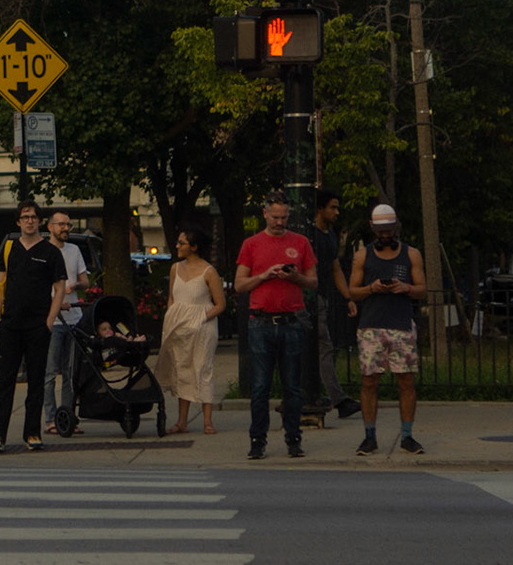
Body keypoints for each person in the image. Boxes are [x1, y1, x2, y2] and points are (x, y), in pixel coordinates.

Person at [234, 190, 317, 459]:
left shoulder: (301, 242)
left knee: (293, 385)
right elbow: (240, 284)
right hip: (261, 321)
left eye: (284, 217)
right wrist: (264, 276)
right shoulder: (251, 244)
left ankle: (293, 438)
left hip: (291, 320)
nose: (280, 222)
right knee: (260, 386)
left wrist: (295, 278)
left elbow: (313, 281)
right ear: (265, 214)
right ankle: (257, 440)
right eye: (275, 217)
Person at [0, 200, 68, 453]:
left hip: (38, 326)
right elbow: (0, 282)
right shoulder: (9, 248)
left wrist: (49, 320)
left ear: (40, 221)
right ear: (18, 222)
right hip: (10, 325)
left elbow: (59, 289)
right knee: (5, 381)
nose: (30, 221)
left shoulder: (51, 253)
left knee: (36, 381)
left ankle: (32, 433)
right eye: (25, 217)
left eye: (33, 217)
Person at [350, 203, 426, 455]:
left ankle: (407, 436)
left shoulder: (411, 254)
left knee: (406, 381)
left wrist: (406, 288)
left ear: (396, 227)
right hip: (371, 326)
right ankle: (369, 436)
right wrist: (372, 288)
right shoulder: (363, 256)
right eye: (381, 231)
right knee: (369, 381)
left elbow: (423, 289)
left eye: (390, 230)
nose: (386, 235)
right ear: (373, 228)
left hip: (401, 325)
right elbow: (353, 291)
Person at [155, 229, 226, 434]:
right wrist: (171, 316)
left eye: (182, 243)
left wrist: (201, 319)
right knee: (181, 368)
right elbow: (172, 297)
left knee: (202, 368)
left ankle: (207, 421)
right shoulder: (175, 269)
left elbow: (220, 304)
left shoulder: (209, 272)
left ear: (194, 247)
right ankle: (182, 421)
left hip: (202, 327)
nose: (177, 246)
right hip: (178, 326)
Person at [308, 188, 363, 420]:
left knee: (322, 347)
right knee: (323, 347)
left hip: (320, 297)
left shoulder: (330, 236)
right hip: (306, 298)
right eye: (333, 207)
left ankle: (328, 396)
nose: (337, 212)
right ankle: (337, 398)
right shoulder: (308, 234)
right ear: (320, 208)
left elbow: (335, 268)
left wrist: (347, 297)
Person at [41, 210, 91, 435]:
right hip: (54, 320)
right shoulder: (43, 252)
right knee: (50, 372)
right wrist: (56, 304)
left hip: (74, 319)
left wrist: (75, 286)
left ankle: (68, 418)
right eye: (61, 224)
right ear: (50, 227)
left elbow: (85, 281)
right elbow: (38, 286)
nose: (65, 228)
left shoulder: (74, 250)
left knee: (70, 372)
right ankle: (50, 419)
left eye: (68, 225)